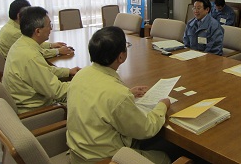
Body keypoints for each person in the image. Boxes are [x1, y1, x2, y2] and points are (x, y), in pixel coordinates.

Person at [66, 26, 171, 164]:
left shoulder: (81, 75)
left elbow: (100, 98)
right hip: (107, 160)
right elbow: (147, 129)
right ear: (121, 56)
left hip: (78, 155)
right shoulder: (117, 94)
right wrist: (162, 106)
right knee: (165, 156)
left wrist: (129, 94)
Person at [2, 6, 80, 113]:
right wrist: (83, 81)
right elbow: (57, 91)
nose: (51, 29)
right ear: (38, 31)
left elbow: (44, 70)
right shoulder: (30, 56)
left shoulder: (22, 43)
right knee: (86, 99)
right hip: (37, 111)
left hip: (32, 100)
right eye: (49, 25)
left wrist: (68, 71)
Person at [0, 0, 74, 58]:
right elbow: (37, 52)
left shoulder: (10, 26)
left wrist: (51, 45)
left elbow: (34, 44)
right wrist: (58, 51)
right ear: (19, 16)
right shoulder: (15, 33)